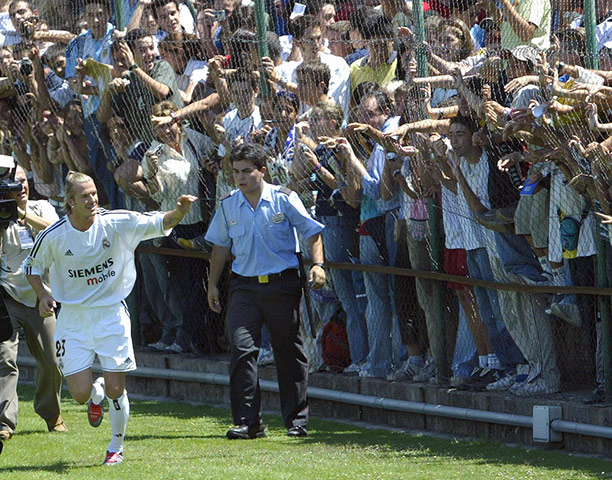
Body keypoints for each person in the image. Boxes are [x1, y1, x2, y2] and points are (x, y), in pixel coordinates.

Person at [24, 171, 198, 466]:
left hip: (111, 314)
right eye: (84, 196)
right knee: (79, 394)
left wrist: (180, 211)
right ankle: (96, 392)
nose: (92, 200)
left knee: (118, 389)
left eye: (94, 193)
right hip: (73, 319)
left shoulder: (116, 222)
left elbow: (160, 222)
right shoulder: (53, 236)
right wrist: (43, 295)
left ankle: (116, 446)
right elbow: (32, 267)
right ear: (69, 202)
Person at [205, 142, 326, 439]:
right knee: (241, 348)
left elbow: (311, 231)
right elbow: (220, 248)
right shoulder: (228, 204)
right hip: (243, 287)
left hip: (282, 285)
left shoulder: (285, 199)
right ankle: (249, 423)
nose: (240, 178)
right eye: (235, 172)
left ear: (263, 171)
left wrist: (318, 264)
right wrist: (212, 285)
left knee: (288, 352)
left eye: (247, 171)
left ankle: (296, 421)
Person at [0, 160, 65, 444]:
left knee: (52, 361)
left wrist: (24, 215)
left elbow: (57, 232)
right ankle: (4, 423)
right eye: (14, 182)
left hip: (41, 296)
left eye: (24, 180)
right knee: (4, 360)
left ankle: (51, 414)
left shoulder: (42, 207)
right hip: (6, 296)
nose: (21, 186)